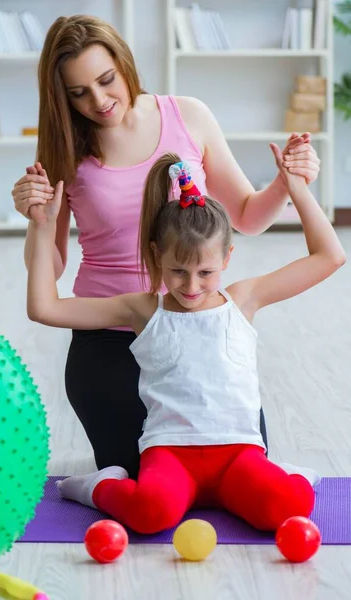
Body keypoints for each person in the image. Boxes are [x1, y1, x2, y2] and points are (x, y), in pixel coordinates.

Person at [12, 15, 322, 479]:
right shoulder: (64, 148)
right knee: (143, 477)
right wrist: (38, 224)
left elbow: (247, 216)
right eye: (79, 93)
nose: (99, 101)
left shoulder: (188, 115)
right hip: (111, 335)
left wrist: (287, 181)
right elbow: (49, 269)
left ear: (123, 62)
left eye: (106, 80)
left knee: (231, 472)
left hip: (191, 332)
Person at [27, 148, 345, 535]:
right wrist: (43, 230)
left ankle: (285, 475)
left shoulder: (244, 299)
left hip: (238, 452)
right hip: (170, 455)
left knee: (290, 505)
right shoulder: (142, 309)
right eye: (178, 271)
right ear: (157, 255)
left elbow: (330, 256)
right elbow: (44, 308)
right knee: (150, 515)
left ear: (228, 258)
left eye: (206, 272)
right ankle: (98, 486)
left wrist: (295, 187)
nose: (191, 286)